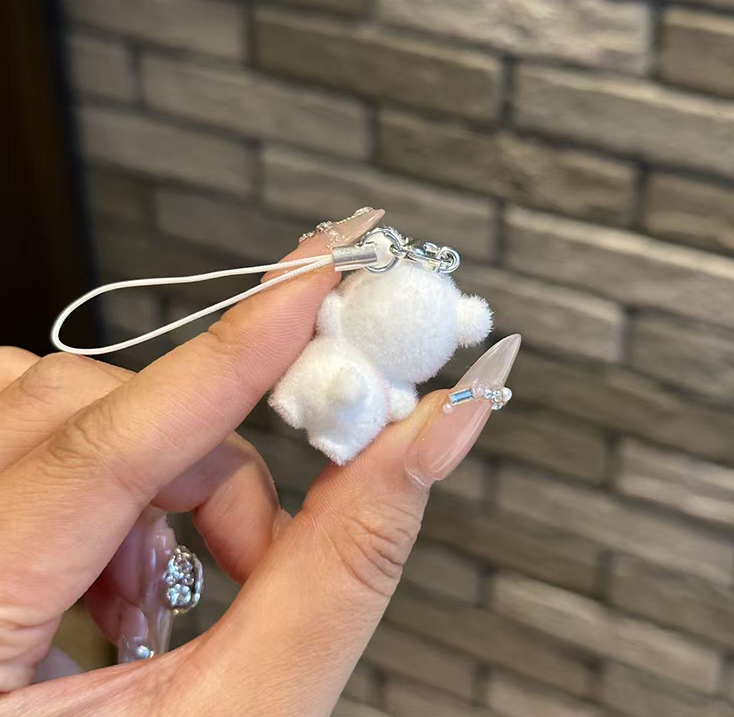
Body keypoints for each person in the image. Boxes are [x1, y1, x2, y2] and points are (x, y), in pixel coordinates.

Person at [0, 210, 518, 716]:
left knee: (351, 395)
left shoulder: (383, 366)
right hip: (330, 372)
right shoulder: (344, 321)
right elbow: (337, 323)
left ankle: (346, 398)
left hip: (361, 389)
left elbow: (391, 388)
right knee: (333, 389)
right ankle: (339, 396)